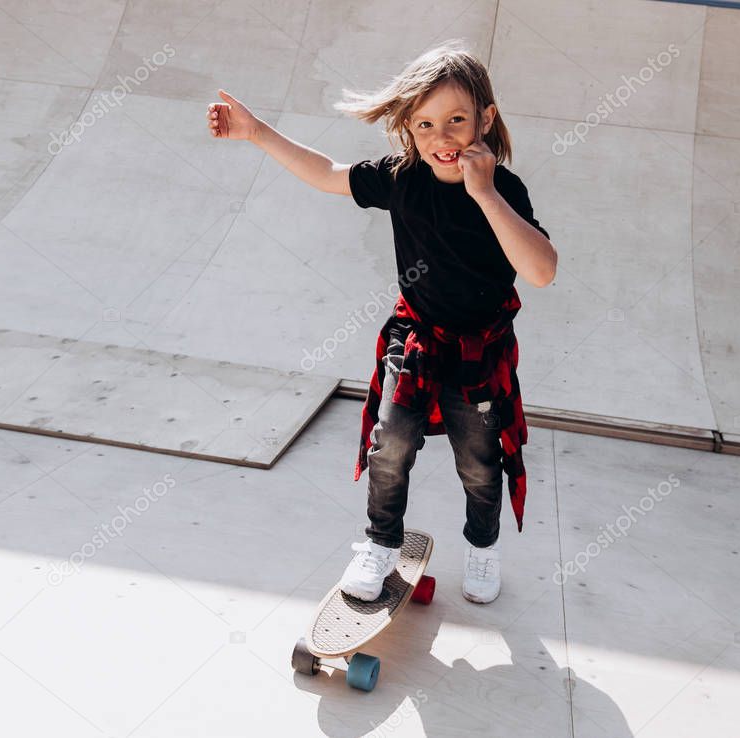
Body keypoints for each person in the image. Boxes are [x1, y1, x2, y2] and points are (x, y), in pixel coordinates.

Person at [206, 39, 556, 605]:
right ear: (406, 130)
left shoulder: (504, 190)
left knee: (480, 463)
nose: (441, 138)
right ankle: (380, 544)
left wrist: (485, 192)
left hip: (478, 350)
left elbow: (541, 272)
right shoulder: (401, 178)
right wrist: (256, 132)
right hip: (414, 337)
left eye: (456, 121)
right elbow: (325, 173)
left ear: (485, 119)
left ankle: (483, 547)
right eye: (424, 125)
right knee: (388, 443)